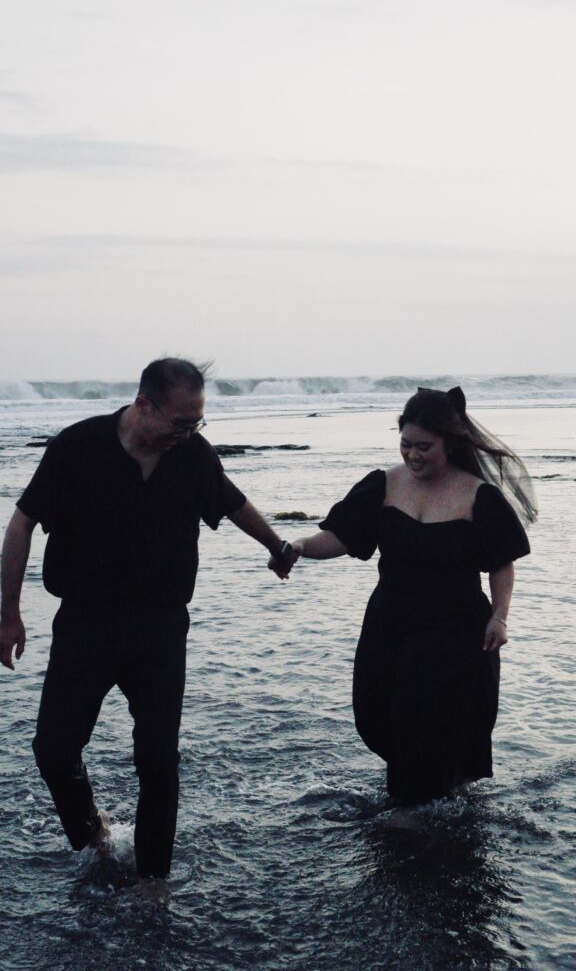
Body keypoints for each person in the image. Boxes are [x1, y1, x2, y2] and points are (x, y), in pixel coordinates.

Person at [0, 358, 296, 880]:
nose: (189, 433)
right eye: (181, 422)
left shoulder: (193, 454)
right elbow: (22, 523)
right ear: (143, 404)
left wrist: (278, 546)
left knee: (159, 760)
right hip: (86, 623)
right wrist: (8, 615)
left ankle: (153, 881)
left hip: (160, 627)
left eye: (197, 422)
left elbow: (233, 503)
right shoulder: (78, 446)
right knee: (53, 750)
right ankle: (93, 830)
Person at [274, 387, 536, 805]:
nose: (413, 455)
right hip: (389, 627)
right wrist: (301, 546)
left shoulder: (478, 495)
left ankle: (408, 815)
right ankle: (428, 797)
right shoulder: (383, 485)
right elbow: (341, 537)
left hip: (454, 634)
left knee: (422, 719)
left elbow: (502, 564)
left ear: (449, 443)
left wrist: (500, 617)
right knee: (376, 714)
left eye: (424, 447)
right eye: (406, 444)